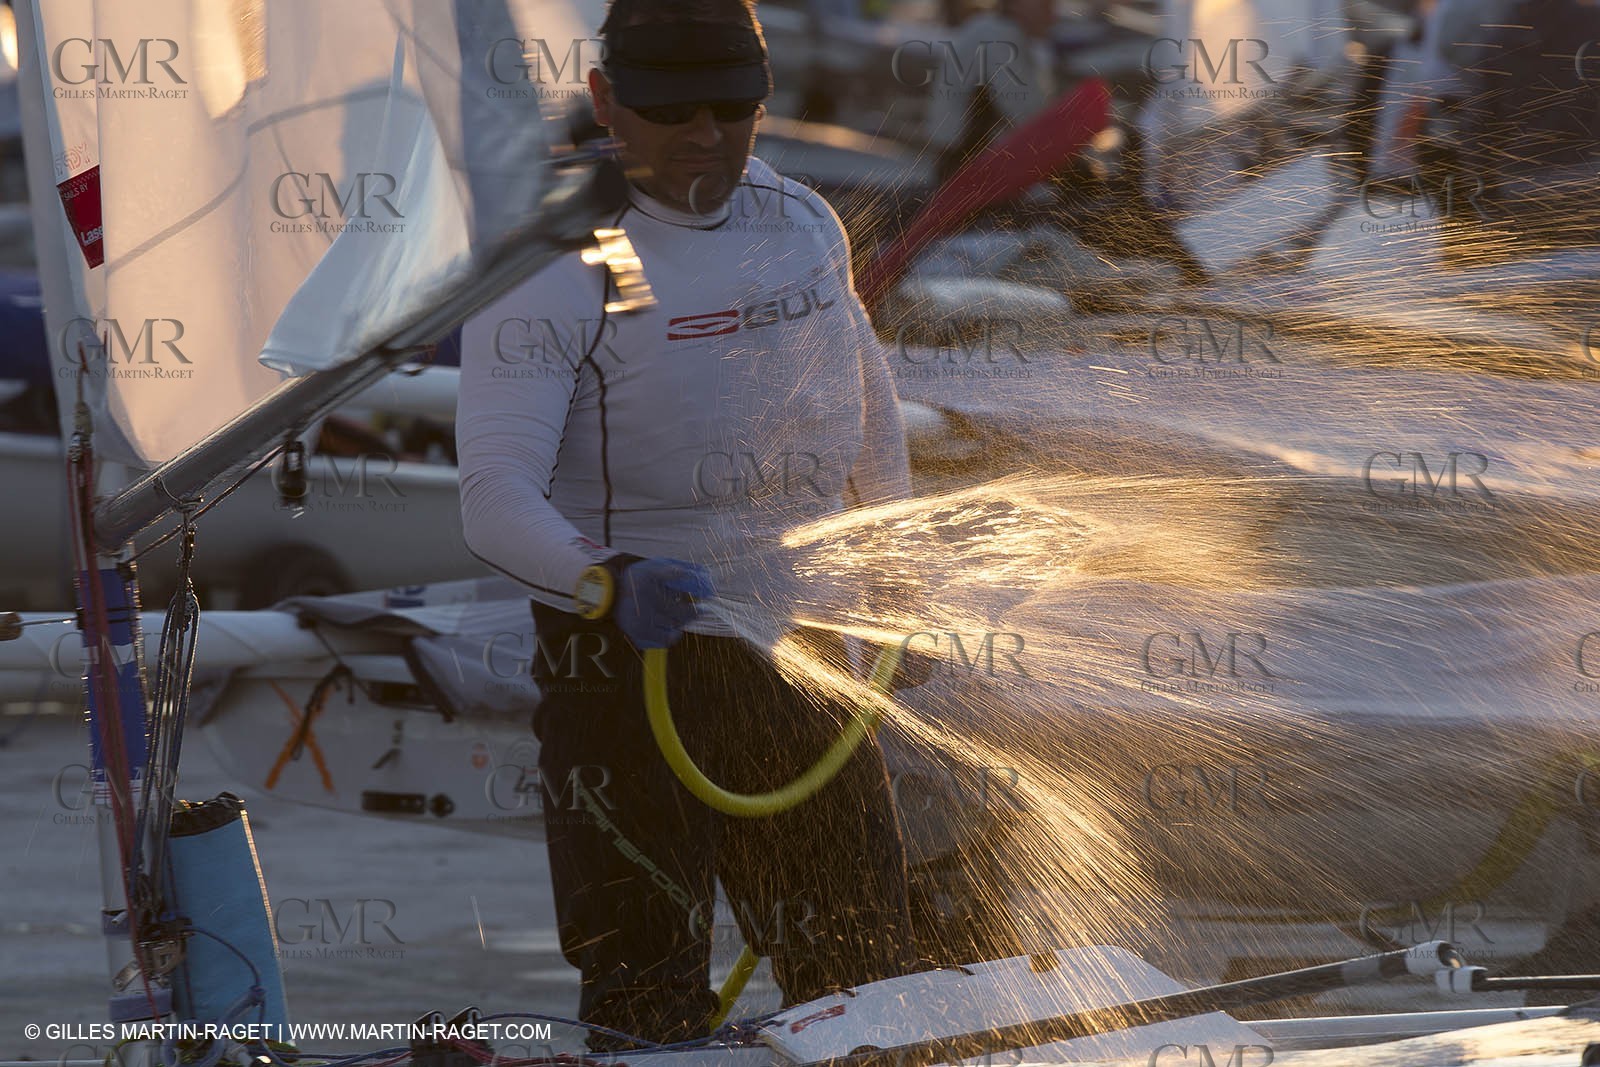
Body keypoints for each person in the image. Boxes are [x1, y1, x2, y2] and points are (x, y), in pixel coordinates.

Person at [455, 0, 919, 1049]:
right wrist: (609, 577)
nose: (707, 133)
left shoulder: (799, 220)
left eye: (735, 106)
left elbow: (868, 404)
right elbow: (491, 496)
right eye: (671, 110)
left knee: (863, 967)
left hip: (797, 651)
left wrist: (895, 584)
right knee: (643, 985)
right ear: (605, 100)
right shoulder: (557, 262)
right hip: (621, 667)